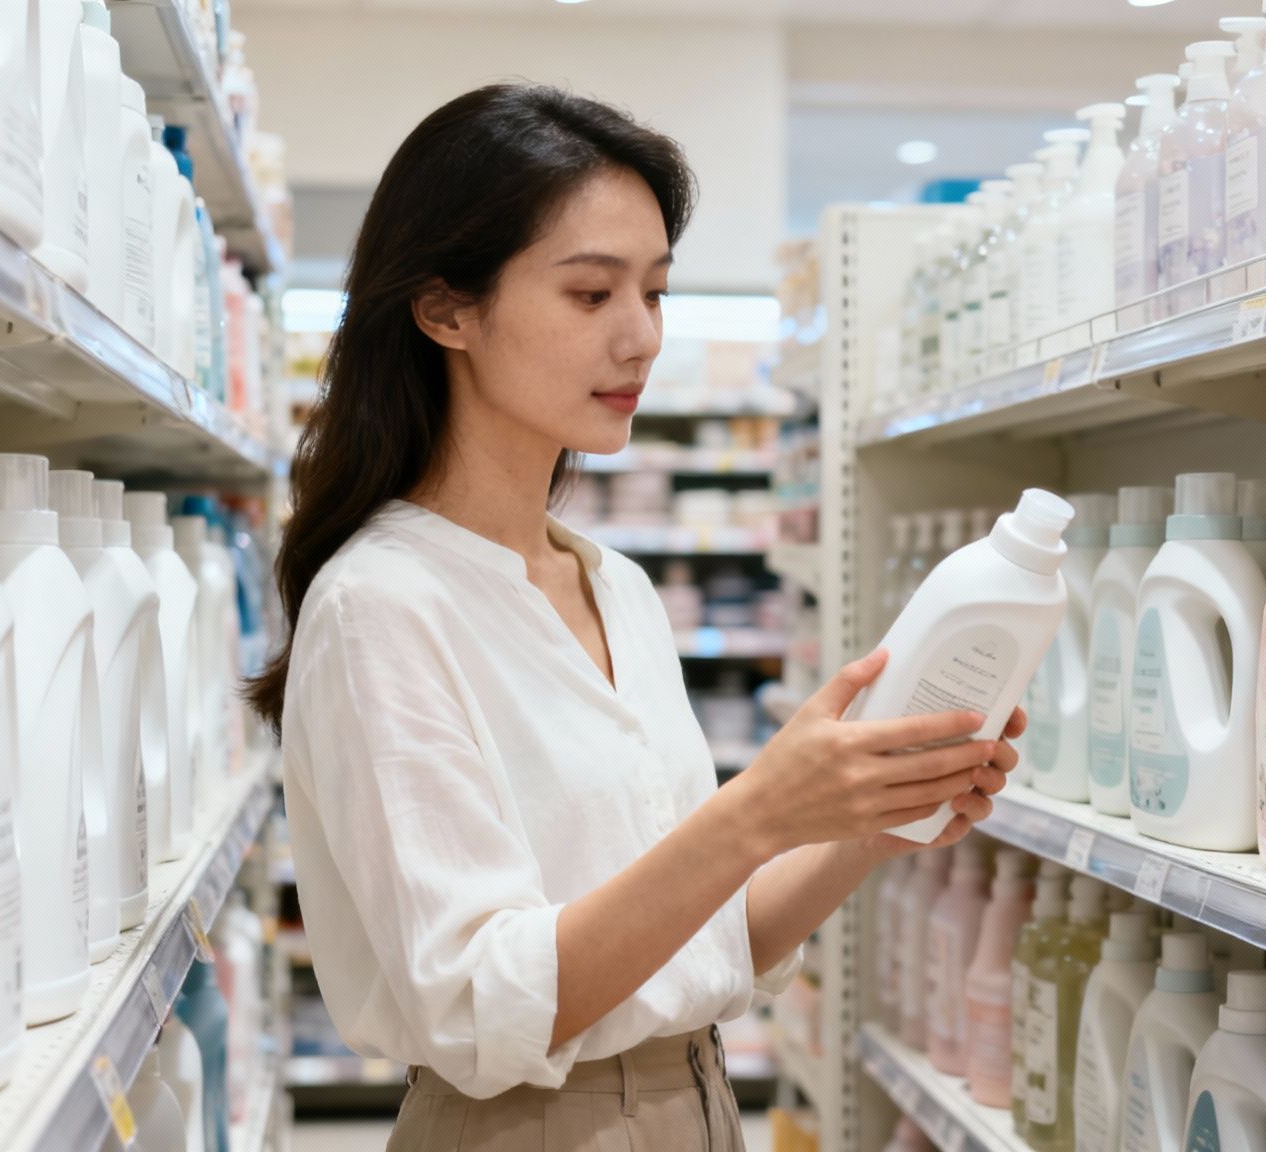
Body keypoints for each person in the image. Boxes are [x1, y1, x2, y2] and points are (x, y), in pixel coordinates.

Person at [245, 83, 1018, 1151]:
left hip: (696, 1103)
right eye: (590, 294)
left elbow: (703, 948)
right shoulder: (381, 605)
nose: (641, 337)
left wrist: (860, 828)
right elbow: (476, 1004)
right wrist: (754, 814)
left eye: (654, 292)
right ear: (445, 310)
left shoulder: (617, 587)